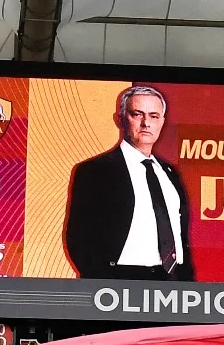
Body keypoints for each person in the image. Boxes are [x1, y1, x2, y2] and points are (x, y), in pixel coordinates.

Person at [64, 85, 194, 281]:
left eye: (154, 116)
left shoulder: (169, 173)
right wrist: (102, 282)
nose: (146, 123)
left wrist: (187, 284)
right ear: (120, 119)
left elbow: (181, 237)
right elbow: (79, 237)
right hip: (118, 280)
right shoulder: (95, 170)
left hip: (171, 281)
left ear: (162, 122)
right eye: (137, 114)